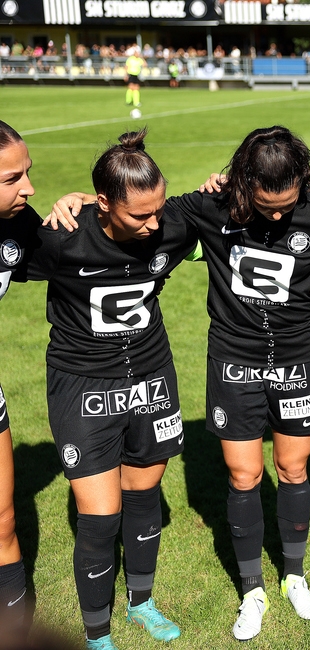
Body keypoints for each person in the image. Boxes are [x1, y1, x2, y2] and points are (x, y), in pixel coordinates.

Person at [55, 126, 310, 642]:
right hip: (233, 361)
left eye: (288, 205)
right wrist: (82, 198)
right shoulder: (208, 208)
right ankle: (252, 590)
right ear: (242, 185)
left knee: (293, 467)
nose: (280, 216)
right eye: (268, 206)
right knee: (244, 477)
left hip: (295, 358)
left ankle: (295, 577)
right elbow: (131, 210)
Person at [27, 130, 193, 650]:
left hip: (152, 377)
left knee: (143, 494)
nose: (154, 225)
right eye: (140, 215)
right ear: (103, 203)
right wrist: (67, 199)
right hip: (83, 386)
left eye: (158, 210)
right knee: (99, 518)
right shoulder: (60, 238)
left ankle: (141, 602)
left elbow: (229, 198)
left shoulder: (171, 227)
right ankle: (97, 633)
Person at [0, 120, 36, 637]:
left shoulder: (17, 226)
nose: (28, 187)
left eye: (27, 173)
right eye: (11, 178)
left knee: (3, 523)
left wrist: (81, 205)